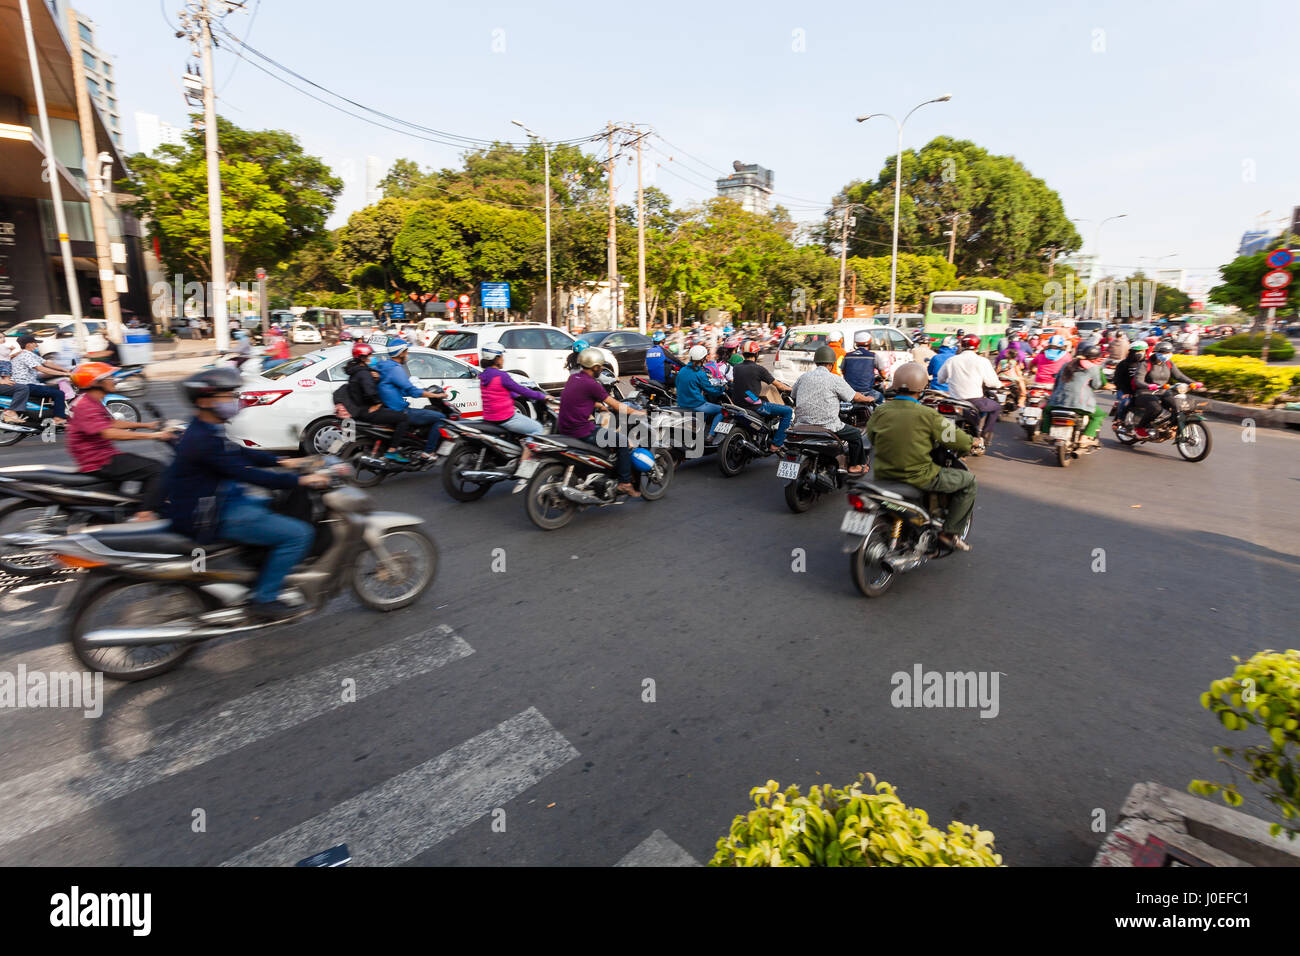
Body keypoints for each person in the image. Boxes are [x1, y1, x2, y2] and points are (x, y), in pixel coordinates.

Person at [162, 367, 330, 621]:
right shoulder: (202, 439)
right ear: (205, 401)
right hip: (210, 513)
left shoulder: (206, 429)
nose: (233, 401)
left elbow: (239, 453)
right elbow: (246, 473)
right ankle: (265, 599)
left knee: (275, 507)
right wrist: (301, 479)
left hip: (218, 500)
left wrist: (282, 461)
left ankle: (258, 568)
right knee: (298, 534)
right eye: (226, 396)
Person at [865, 362, 977, 552]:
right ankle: (948, 534)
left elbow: (872, 437)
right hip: (920, 477)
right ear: (922, 388)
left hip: (884, 475)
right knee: (969, 482)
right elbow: (959, 441)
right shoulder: (928, 415)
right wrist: (972, 441)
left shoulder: (880, 411)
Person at [66, 363, 174, 519]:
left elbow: (111, 423)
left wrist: (147, 425)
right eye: (109, 378)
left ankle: (137, 508)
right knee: (158, 469)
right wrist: (154, 436)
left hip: (100, 456)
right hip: (99, 460)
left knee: (145, 467)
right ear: (96, 383)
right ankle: (144, 515)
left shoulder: (90, 400)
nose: (114, 381)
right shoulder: (86, 405)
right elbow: (108, 432)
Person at [556, 347, 645, 496]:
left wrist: (597, 405)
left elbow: (577, 399)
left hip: (564, 427)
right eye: (600, 367)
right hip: (581, 431)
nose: (602, 369)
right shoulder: (592, 385)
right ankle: (625, 483)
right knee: (622, 442)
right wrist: (637, 412)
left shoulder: (574, 378)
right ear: (595, 367)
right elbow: (616, 404)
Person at [791, 345, 873, 475]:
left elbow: (793, 395)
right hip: (827, 425)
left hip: (802, 424)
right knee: (855, 435)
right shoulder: (834, 379)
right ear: (832, 364)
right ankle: (855, 466)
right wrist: (868, 399)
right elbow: (854, 396)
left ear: (816, 362)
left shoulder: (803, 377)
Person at [374, 337, 449, 459]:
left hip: (388, 409)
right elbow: (412, 391)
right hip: (400, 411)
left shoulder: (382, 366)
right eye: (406, 352)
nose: (407, 355)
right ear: (401, 353)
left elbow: (400, 389)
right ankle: (428, 452)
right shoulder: (395, 369)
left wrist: (422, 391)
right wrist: (437, 395)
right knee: (440, 418)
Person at [342, 342, 411, 459]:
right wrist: (378, 403)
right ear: (362, 357)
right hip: (367, 411)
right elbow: (370, 392)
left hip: (360, 409)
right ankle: (393, 450)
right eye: (369, 356)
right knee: (403, 418)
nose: (371, 358)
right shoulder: (363, 373)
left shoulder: (356, 371)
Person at [936, 334, 1002, 445]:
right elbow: (991, 382)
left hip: (954, 400)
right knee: (996, 407)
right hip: (974, 401)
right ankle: (984, 437)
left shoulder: (951, 360)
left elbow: (940, 379)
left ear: (961, 345)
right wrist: (999, 385)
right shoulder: (982, 361)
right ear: (978, 346)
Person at [729, 341, 793, 451]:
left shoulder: (736, 368)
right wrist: (792, 389)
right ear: (756, 354)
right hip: (753, 405)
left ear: (743, 354)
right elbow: (779, 386)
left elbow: (744, 383)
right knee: (787, 411)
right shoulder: (759, 369)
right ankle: (776, 444)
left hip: (737, 402)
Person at [1040, 345, 1107, 447]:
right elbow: (1096, 385)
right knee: (1099, 415)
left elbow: (1057, 382)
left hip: (1057, 402)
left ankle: (1045, 432)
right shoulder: (1093, 368)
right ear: (1096, 358)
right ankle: (1085, 437)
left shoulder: (1066, 365)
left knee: (1047, 410)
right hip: (1080, 405)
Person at [1130, 341, 1200, 437]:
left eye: (1168, 353)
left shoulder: (1169, 363)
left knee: (1179, 406)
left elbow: (1179, 376)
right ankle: (1140, 427)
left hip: (1163, 391)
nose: (1166, 355)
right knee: (1156, 409)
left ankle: (1170, 426)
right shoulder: (1145, 364)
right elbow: (1138, 380)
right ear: (1156, 352)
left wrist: (1192, 382)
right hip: (1145, 392)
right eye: (1163, 353)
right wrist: (1148, 385)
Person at [479, 342, 547, 435]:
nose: (503, 359)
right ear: (497, 358)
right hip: (505, 418)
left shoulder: (484, 376)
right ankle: (526, 449)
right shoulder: (502, 376)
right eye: (502, 356)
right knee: (538, 428)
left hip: (489, 418)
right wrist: (542, 396)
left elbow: (496, 391)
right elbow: (522, 390)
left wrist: (514, 395)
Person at [11, 335, 69, 423]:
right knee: (59, 394)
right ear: (28, 344)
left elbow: (46, 363)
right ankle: (58, 418)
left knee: (56, 387)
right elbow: (41, 368)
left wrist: (65, 370)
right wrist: (64, 374)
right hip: (26, 385)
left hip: (29, 383)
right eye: (35, 343)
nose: (37, 346)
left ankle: (51, 411)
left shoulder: (29, 354)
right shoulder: (26, 355)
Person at [675, 345, 726, 436]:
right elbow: (712, 391)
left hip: (681, 403)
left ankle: (698, 429)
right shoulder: (700, 374)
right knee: (722, 410)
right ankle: (711, 435)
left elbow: (678, 384)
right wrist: (722, 388)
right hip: (695, 405)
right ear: (702, 359)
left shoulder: (682, 370)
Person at [841, 330, 885, 404]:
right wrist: (883, 378)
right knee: (880, 397)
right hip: (867, 392)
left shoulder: (847, 356)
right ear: (869, 342)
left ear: (856, 343)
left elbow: (843, 371)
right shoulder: (873, 356)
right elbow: (883, 374)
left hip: (850, 393)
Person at [1110, 339, 1148, 421]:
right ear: (1132, 352)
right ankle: (1119, 420)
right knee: (1126, 402)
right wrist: (1126, 392)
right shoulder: (1123, 364)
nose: (1140, 353)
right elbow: (1118, 380)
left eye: (1143, 351)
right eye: (1138, 351)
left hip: (1142, 390)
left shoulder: (1148, 364)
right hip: (1125, 390)